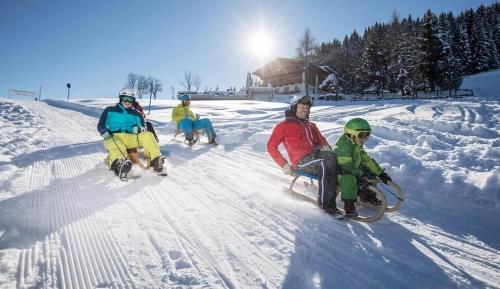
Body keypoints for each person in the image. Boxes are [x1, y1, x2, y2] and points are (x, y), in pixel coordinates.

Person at [267, 95, 339, 214]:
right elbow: (271, 146)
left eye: (307, 108)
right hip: (302, 161)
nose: (305, 110)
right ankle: (327, 204)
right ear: (294, 107)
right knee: (326, 159)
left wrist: (326, 147)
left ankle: (358, 194)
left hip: (318, 156)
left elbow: (323, 141)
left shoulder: (311, 125)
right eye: (302, 107)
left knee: (339, 157)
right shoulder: (283, 126)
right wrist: (283, 164)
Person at [97, 89, 165, 178]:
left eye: (130, 99)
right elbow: (101, 125)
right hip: (114, 137)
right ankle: (119, 165)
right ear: (120, 98)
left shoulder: (137, 114)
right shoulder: (110, 110)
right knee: (116, 144)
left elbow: (144, 128)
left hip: (132, 139)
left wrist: (139, 129)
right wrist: (105, 132)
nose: (127, 102)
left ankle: (155, 161)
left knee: (148, 135)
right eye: (125, 98)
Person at [334, 118, 392, 217]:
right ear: (350, 134)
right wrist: (360, 176)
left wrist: (380, 173)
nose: (364, 139)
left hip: (354, 170)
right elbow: (347, 166)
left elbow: (366, 159)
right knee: (350, 179)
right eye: (362, 135)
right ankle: (349, 206)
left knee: (369, 173)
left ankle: (367, 196)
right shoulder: (342, 147)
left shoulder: (356, 144)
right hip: (340, 174)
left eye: (367, 135)